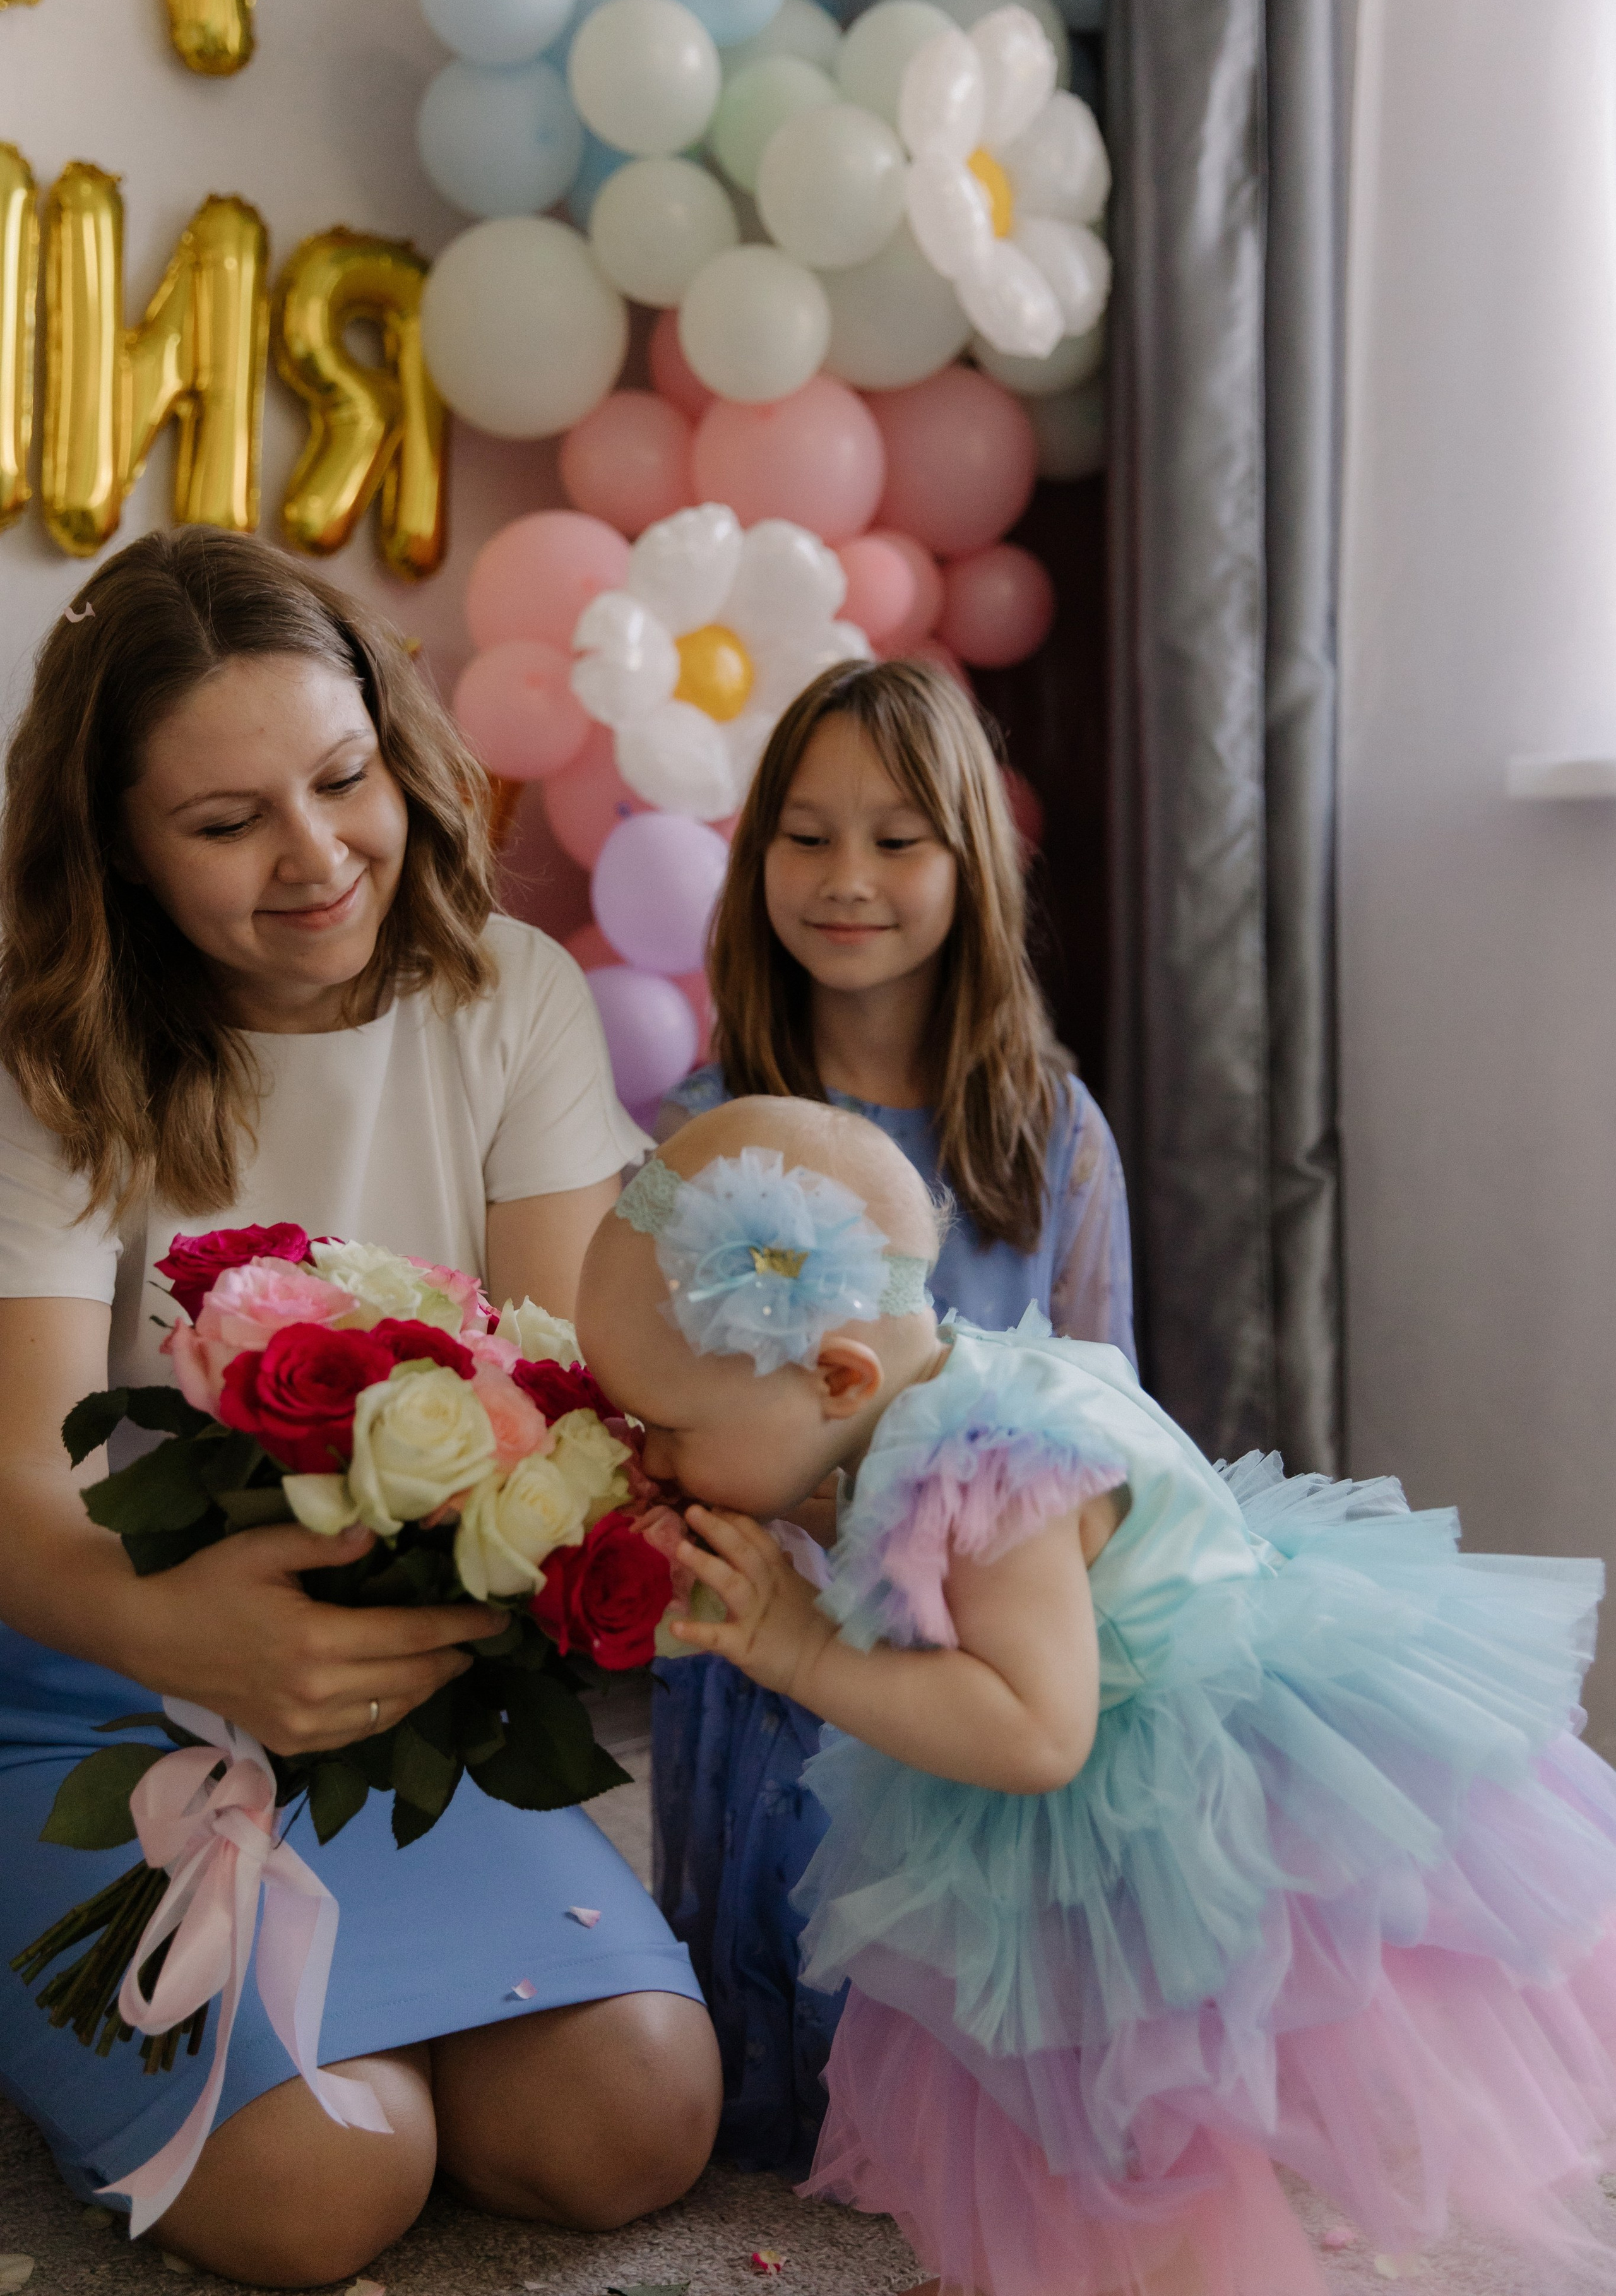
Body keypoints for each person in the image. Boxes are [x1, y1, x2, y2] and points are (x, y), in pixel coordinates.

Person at [0, 529, 721, 2289]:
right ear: (118, 852)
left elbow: (565, 1396)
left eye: (343, 780)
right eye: (226, 822)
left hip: (402, 1685)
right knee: (327, 2187)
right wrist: (197, 1636)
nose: (319, 857)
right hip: (94, 1678)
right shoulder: (49, 1053)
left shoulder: (507, 995)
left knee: (634, 2121)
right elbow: (18, 1488)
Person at [582, 1097, 1616, 2296]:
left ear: (836, 1374)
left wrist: (807, 1651)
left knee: (1125, 2101)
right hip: (1101, 1752)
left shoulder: (987, 1473)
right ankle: (1029, 2266)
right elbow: (887, 1554)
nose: (646, 1453)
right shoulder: (916, 1401)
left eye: (668, 1426)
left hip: (1169, 1790)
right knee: (1014, 2072)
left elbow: (1037, 1733)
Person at [650, 658, 1134, 2168]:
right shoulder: (705, 1130)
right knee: (786, 2010)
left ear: (966, 866)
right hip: (777, 1641)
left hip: (984, 1659)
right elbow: (660, 1413)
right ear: (756, 862)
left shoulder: (1049, 1131)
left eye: (896, 837)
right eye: (804, 835)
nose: (846, 879)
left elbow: (1107, 1411)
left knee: (969, 2062)